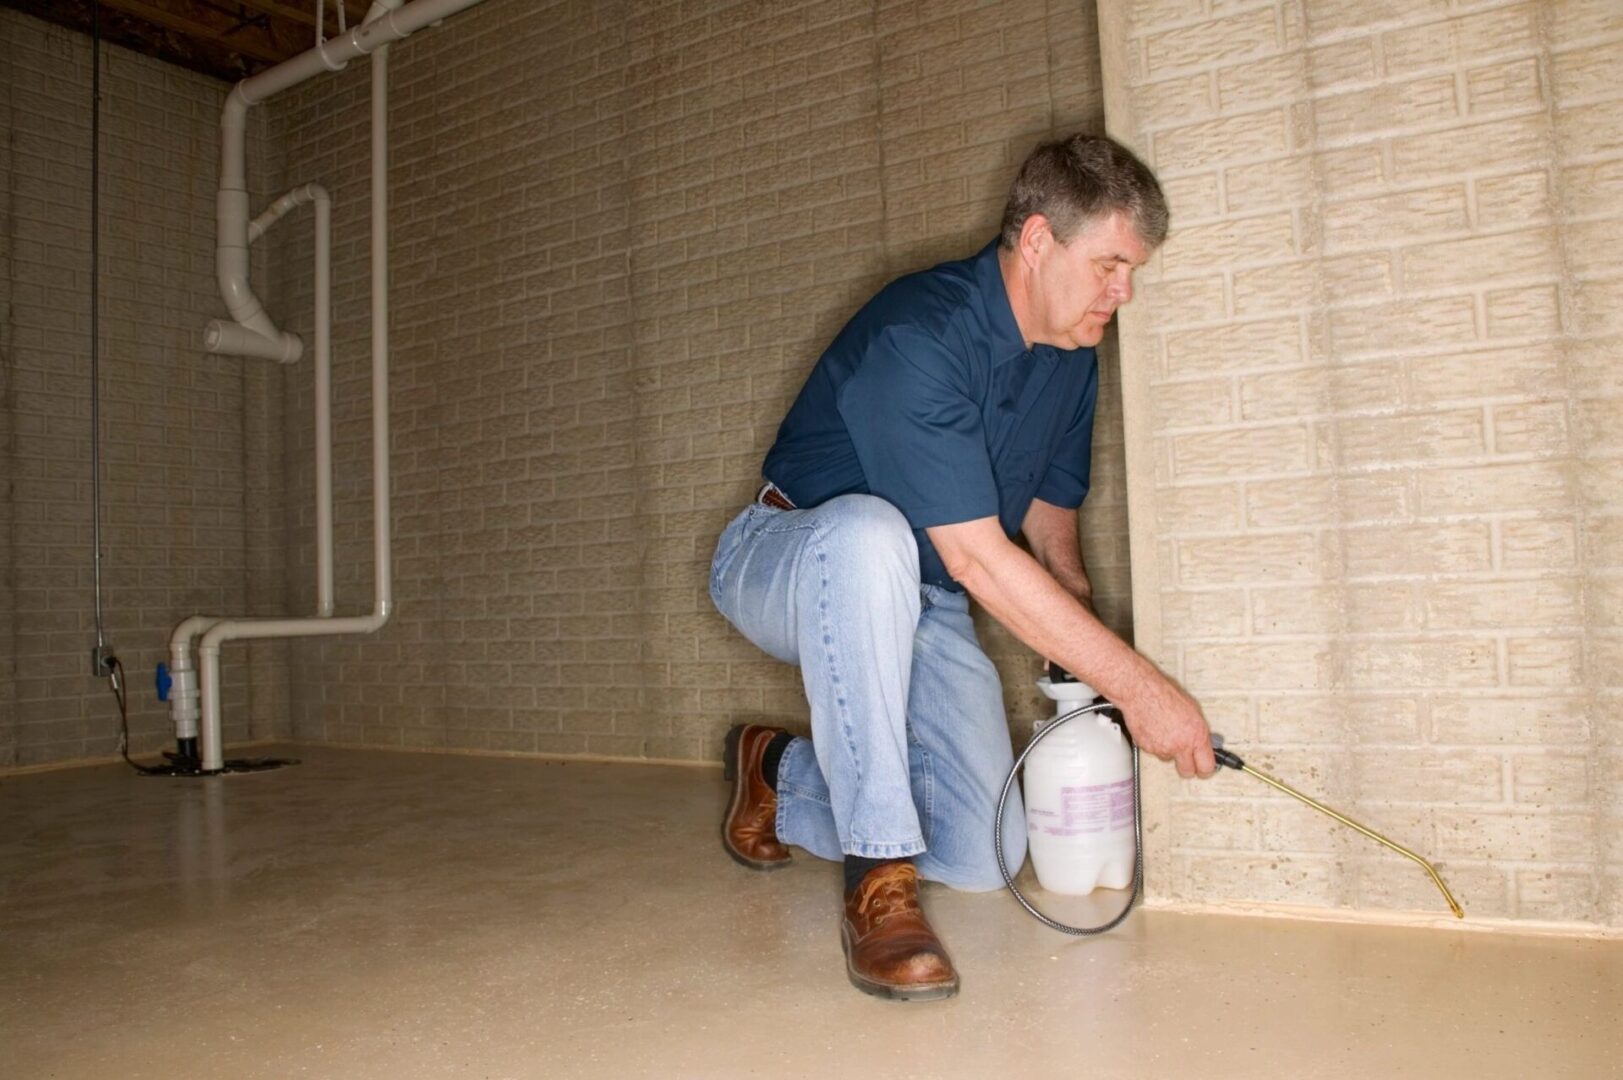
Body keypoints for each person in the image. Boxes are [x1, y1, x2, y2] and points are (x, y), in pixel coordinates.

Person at [708, 133, 1216, 1002]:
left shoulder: (1072, 359)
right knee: (870, 534)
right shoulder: (919, 332)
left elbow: (1047, 516)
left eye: (1131, 271)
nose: (1122, 291)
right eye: (1109, 266)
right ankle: (876, 881)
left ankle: (776, 775)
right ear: (1036, 242)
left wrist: (1077, 645)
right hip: (787, 556)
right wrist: (1138, 687)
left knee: (985, 854)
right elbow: (980, 558)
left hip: (924, 598)